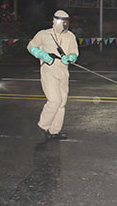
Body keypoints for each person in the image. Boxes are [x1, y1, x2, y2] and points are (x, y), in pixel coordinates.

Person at [26, 10, 79, 140]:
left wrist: (71, 57)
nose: (65, 24)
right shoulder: (44, 34)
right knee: (55, 100)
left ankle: (54, 131)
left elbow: (74, 52)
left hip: (63, 71)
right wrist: (42, 55)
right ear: (55, 21)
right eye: (63, 21)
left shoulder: (70, 36)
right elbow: (31, 46)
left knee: (62, 102)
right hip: (49, 70)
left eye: (67, 21)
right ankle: (43, 126)